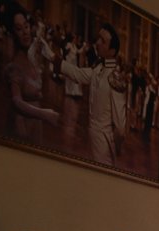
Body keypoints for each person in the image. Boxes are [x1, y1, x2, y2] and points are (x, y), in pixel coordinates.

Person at [54, 22, 127, 166]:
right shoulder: (99, 69)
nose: (97, 42)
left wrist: (116, 147)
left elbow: (120, 128)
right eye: (98, 38)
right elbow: (78, 74)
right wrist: (52, 57)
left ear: (112, 51)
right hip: (92, 138)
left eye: (103, 41)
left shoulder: (115, 78)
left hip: (103, 143)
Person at [4, 6, 60, 142]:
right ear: (12, 33)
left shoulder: (33, 58)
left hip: (36, 125)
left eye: (26, 26)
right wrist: (45, 114)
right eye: (19, 29)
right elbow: (16, 101)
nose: (25, 32)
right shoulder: (15, 66)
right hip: (22, 125)